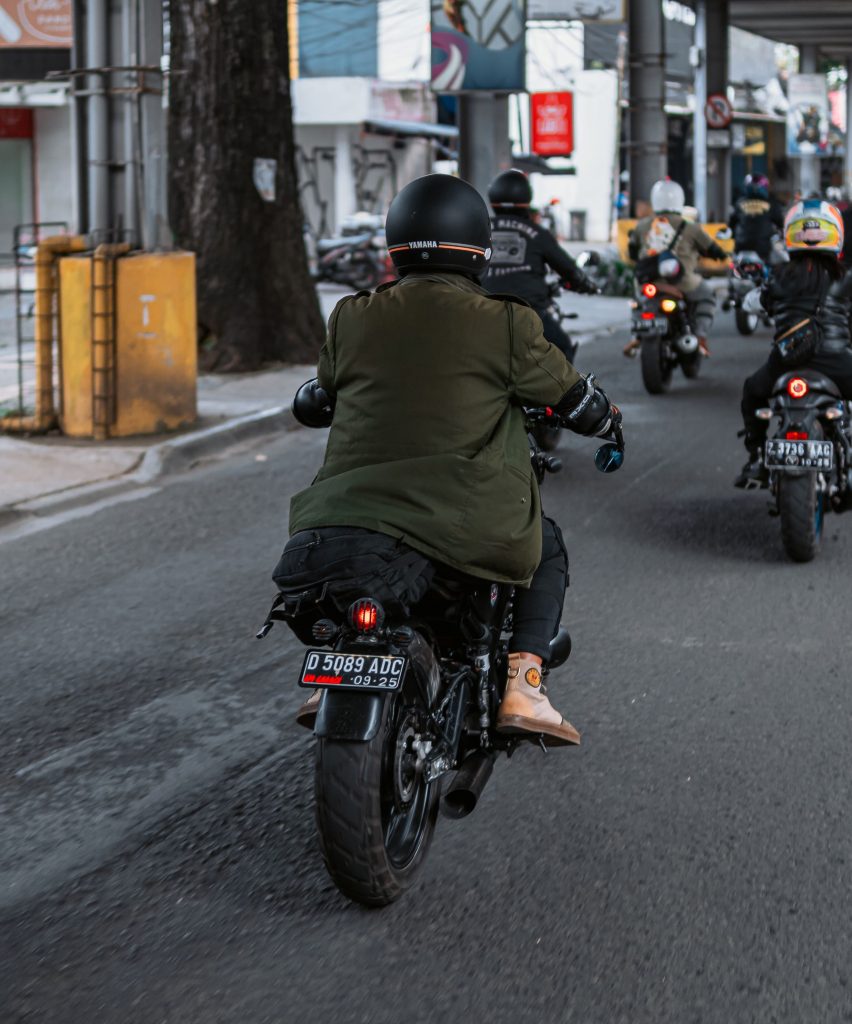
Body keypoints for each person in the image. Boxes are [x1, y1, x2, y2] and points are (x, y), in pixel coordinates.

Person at [273, 174, 622, 746]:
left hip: (337, 520)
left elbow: (318, 396)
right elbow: (573, 399)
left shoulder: (352, 316)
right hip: (464, 524)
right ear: (478, 245)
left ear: (396, 242)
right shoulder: (505, 322)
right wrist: (606, 420)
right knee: (547, 547)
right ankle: (524, 686)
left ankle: (342, 662)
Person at [735, 198, 852, 488]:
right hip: (836, 362)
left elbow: (752, 303)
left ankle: (757, 457)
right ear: (835, 234)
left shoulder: (779, 275)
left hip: (786, 361)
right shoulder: (845, 276)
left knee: (752, 391)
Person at [481, 168, 598, 363]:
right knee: (562, 348)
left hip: (481, 311)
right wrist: (585, 284)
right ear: (526, 200)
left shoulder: (480, 230)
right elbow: (568, 268)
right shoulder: (537, 233)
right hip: (529, 311)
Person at [623, 178, 727, 358]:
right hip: (682, 282)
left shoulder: (643, 225)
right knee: (708, 296)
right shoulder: (691, 227)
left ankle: (636, 336)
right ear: (680, 200)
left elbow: (632, 253)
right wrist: (719, 255)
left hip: (649, 282)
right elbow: (714, 250)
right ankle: (700, 336)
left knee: (638, 301)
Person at [728, 174, 784, 263]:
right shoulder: (771, 203)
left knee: (735, 265)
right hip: (762, 247)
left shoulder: (739, 203)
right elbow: (781, 222)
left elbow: (731, 224)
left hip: (741, 246)